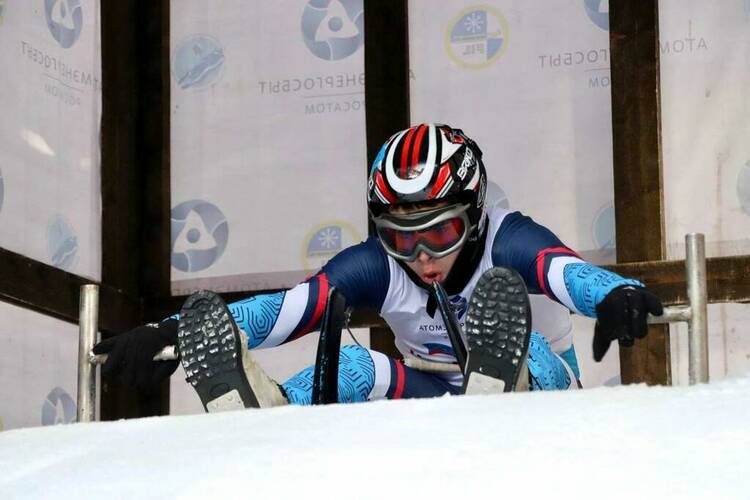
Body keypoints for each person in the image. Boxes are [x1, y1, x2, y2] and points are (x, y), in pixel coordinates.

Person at [93, 123, 663, 410]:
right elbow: (289, 310)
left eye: (439, 233)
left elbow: (564, 271)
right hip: (431, 393)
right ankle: (271, 414)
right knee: (352, 364)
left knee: (531, 346)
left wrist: (617, 292)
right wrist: (171, 332)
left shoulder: (508, 238)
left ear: (474, 216)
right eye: (400, 237)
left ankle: (500, 387)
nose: (421, 256)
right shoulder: (379, 264)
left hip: (548, 396)